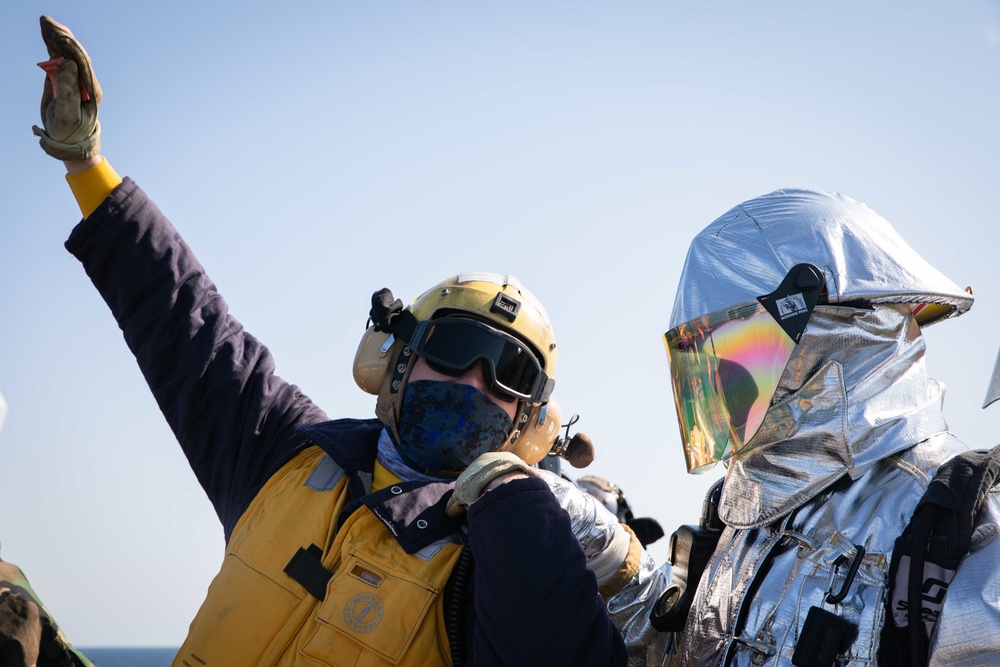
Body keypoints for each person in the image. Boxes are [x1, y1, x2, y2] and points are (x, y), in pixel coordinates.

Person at [31, 16, 634, 667]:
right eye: (455, 347)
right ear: (395, 358)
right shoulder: (281, 453)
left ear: (529, 419)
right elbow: (187, 323)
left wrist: (512, 494)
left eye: (511, 373)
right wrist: (87, 165)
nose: (474, 380)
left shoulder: (496, 569)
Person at [600, 189, 1000, 666]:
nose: (727, 394)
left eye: (742, 358)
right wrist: (592, 540)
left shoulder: (966, 529)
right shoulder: (736, 519)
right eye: (710, 374)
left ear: (832, 340)